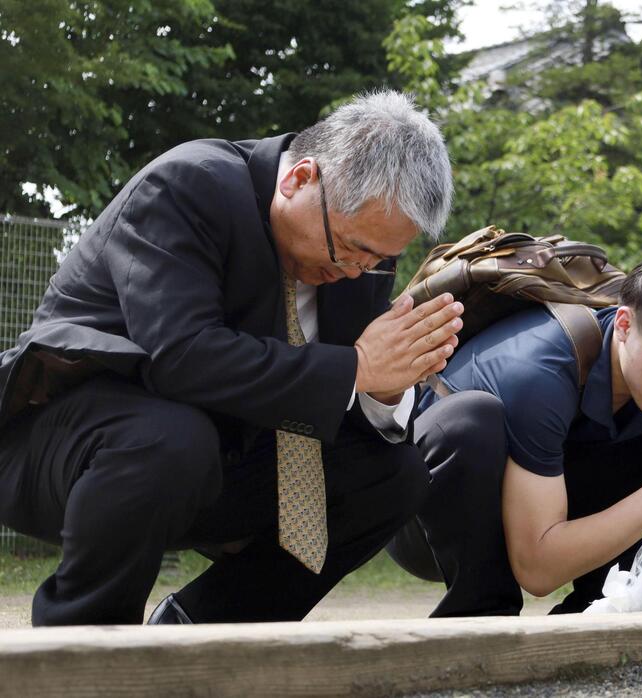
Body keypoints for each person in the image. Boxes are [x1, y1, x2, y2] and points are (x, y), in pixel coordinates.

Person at [0, 90, 463, 626]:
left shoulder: (358, 263)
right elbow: (181, 357)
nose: (360, 271)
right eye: (352, 249)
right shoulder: (188, 185)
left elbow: (332, 397)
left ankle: (203, 628)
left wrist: (384, 387)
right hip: (60, 448)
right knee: (170, 437)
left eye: (382, 259)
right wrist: (358, 367)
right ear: (299, 179)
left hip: (213, 460)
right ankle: (81, 646)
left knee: (394, 473)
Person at [387, 247, 642, 616]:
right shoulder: (539, 370)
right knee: (472, 419)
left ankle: (602, 610)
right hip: (422, 517)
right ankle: (481, 617)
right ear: (625, 325)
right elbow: (537, 571)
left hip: (546, 499)